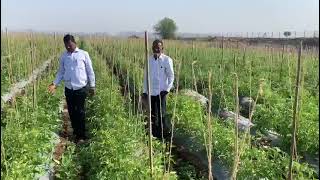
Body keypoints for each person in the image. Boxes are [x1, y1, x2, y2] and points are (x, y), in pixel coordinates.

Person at [48, 34, 95, 144]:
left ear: (74, 43)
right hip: (69, 89)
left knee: (80, 111)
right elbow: (61, 72)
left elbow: (90, 71)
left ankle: (81, 135)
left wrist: (92, 86)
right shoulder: (64, 56)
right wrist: (54, 84)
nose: (68, 47)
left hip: (81, 88)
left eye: (69, 44)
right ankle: (75, 132)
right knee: (72, 111)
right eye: (66, 45)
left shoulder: (84, 54)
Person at [143, 39, 174, 140]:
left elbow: (171, 76)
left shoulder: (167, 60)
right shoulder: (149, 60)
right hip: (151, 91)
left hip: (161, 92)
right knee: (152, 113)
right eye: (154, 47)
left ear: (162, 48)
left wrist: (167, 89)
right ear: (152, 48)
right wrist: (144, 91)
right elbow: (145, 76)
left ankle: (163, 134)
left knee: (161, 113)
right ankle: (154, 134)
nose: (156, 48)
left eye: (158, 47)